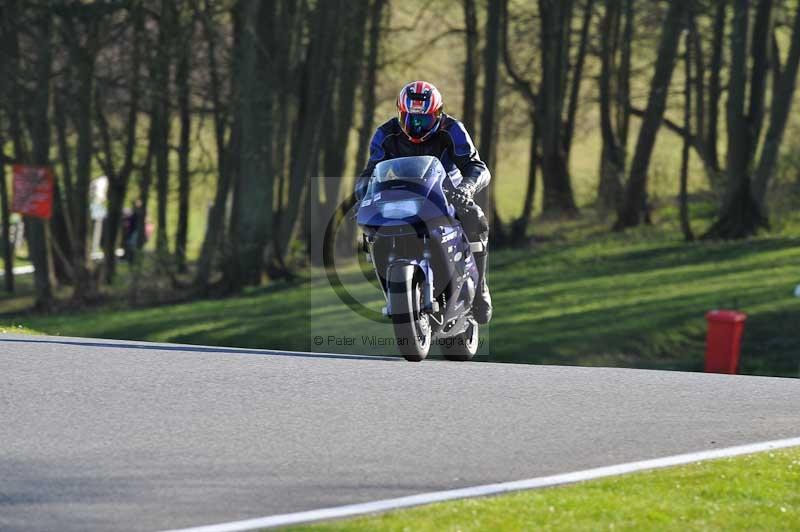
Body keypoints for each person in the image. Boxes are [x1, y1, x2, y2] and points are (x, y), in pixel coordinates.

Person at [355, 81, 492, 324]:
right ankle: (395, 294)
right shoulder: (385, 134)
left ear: (437, 114)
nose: (416, 126)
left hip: (446, 191)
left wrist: (466, 188)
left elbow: (475, 165)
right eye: (410, 119)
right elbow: (370, 171)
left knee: (475, 218)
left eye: (424, 120)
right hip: (399, 195)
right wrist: (363, 194)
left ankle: (480, 289)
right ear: (400, 113)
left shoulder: (453, 130)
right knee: (374, 232)